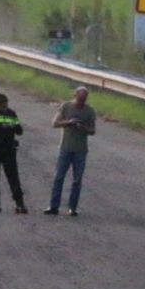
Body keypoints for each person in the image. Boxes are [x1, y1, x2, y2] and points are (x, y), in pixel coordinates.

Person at [45, 86, 96, 216]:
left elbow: (92, 131)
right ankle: (53, 206)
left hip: (80, 150)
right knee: (59, 177)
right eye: (80, 99)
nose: (81, 102)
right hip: (65, 147)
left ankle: (72, 208)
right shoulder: (66, 106)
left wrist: (82, 127)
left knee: (77, 180)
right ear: (75, 95)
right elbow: (54, 123)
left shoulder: (89, 111)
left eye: (83, 100)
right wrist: (68, 122)